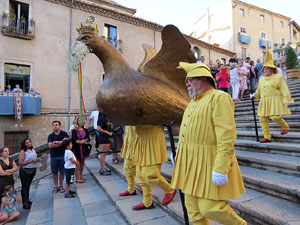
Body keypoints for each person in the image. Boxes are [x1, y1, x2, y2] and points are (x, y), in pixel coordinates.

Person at [172, 62, 247, 225]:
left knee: (211, 208)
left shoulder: (219, 97)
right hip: (190, 163)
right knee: (192, 209)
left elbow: (226, 135)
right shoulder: (192, 103)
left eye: (189, 80)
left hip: (210, 162)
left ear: (203, 79)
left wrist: (221, 167)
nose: (187, 84)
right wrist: (179, 155)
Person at [251, 51, 294, 143]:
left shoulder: (278, 77)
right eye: (264, 69)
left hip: (275, 100)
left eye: (267, 68)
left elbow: (284, 89)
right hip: (264, 101)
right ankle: (267, 136)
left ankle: (285, 126)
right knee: (262, 119)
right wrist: (255, 95)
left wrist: (287, 99)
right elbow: (259, 90)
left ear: (272, 69)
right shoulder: (261, 79)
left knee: (275, 117)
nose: (265, 70)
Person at [132, 125, 176, 210]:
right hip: (140, 137)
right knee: (140, 174)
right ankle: (147, 202)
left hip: (153, 136)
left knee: (150, 174)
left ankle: (169, 189)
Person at [47, 120, 69, 194]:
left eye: (56, 125)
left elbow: (67, 143)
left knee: (62, 172)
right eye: (53, 125)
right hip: (54, 156)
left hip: (63, 156)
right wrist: (61, 143)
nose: (55, 126)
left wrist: (55, 142)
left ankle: (61, 186)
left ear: (60, 126)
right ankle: (56, 186)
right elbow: (50, 145)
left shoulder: (64, 134)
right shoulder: (50, 136)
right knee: (55, 173)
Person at [18, 138, 40, 209]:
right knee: (25, 186)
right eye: (26, 143)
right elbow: (21, 163)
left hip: (32, 170)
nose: (28, 144)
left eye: (29, 142)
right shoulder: (23, 151)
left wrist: (37, 160)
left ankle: (27, 200)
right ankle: (24, 203)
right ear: (24, 144)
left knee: (28, 186)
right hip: (25, 171)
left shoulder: (32, 150)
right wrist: (31, 161)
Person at [71, 116, 91, 183]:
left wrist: (86, 140)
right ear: (76, 121)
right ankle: (77, 177)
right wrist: (81, 141)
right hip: (76, 148)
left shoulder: (85, 130)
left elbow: (88, 138)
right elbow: (73, 140)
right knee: (77, 163)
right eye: (79, 120)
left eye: (82, 120)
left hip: (84, 148)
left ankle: (81, 175)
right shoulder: (74, 130)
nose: (80, 122)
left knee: (82, 162)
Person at [119, 126, 138, 196]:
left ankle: (168, 189)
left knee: (141, 169)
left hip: (137, 144)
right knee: (127, 168)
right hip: (129, 144)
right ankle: (131, 189)